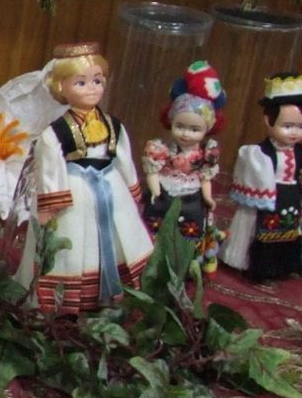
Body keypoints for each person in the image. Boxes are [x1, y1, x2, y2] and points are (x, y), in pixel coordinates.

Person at [17, 42, 153, 311]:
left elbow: (124, 158)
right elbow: (50, 166)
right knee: (75, 244)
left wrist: (132, 190)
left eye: (97, 81)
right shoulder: (56, 132)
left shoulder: (113, 124)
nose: (91, 88)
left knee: (118, 234)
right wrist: (51, 204)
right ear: (61, 87)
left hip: (110, 187)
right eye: (81, 83)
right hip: (74, 190)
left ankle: (112, 290)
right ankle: (67, 298)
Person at [141, 61, 224, 274]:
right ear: (171, 122)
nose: (186, 134)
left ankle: (184, 262)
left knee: (190, 223)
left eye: (195, 129)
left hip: (191, 195)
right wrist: (155, 190)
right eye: (180, 126)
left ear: (207, 129)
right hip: (165, 191)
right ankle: (154, 260)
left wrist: (208, 197)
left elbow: (205, 177)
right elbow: (153, 172)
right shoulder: (161, 148)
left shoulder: (206, 152)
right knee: (158, 222)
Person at [224, 74, 302, 281]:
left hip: (291, 197)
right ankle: (258, 267)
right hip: (269, 200)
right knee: (262, 231)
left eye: (300, 127)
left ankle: (284, 266)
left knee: (289, 230)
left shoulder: (298, 152)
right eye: (287, 126)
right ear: (268, 120)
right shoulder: (258, 154)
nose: (294, 133)